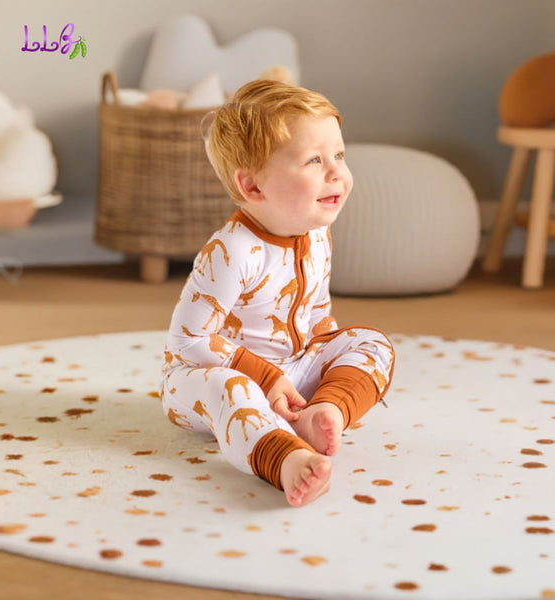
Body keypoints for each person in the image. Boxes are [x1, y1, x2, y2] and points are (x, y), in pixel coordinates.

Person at [160, 79, 395, 507]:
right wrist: (266, 378)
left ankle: (325, 414)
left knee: (372, 343)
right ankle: (284, 459)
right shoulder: (232, 250)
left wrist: (325, 359)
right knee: (231, 390)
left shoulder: (318, 231)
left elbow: (319, 311)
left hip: (293, 372)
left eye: (339, 155)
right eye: (313, 161)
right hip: (208, 379)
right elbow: (187, 341)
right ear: (252, 187)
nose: (336, 172)